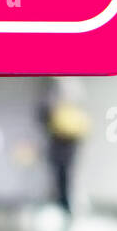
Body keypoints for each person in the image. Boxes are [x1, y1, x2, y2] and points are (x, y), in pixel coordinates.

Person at [39, 77, 91, 214]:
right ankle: (65, 205)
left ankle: (65, 206)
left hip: (64, 140)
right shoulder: (70, 87)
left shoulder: (61, 87)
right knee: (65, 176)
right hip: (64, 140)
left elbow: (45, 112)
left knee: (65, 176)